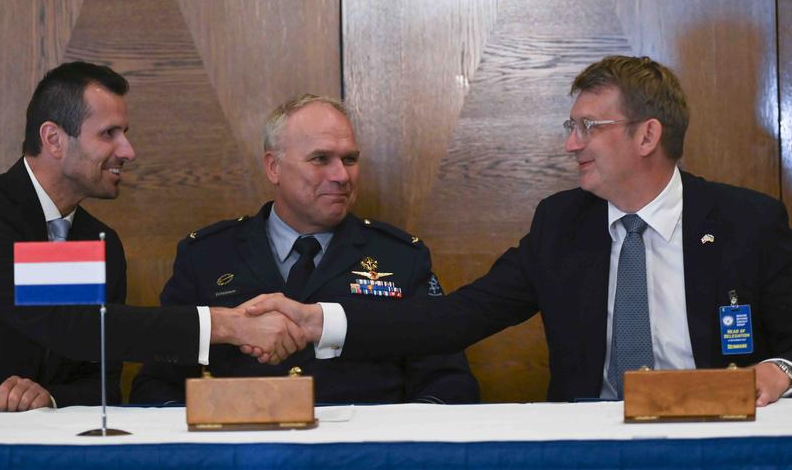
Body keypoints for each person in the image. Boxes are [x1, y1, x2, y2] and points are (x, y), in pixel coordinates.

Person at [245, 56, 792, 406]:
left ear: (647, 135)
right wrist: (321, 321)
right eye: (569, 127)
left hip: (719, 440)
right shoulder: (562, 225)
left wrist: (780, 370)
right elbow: (452, 319)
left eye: (587, 127)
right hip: (586, 448)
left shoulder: (748, 222)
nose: (570, 144)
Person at [0, 62, 305, 411]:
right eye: (109, 134)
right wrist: (226, 324)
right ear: (53, 139)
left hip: (39, 459)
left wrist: (50, 397)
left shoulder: (100, 241)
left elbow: (99, 380)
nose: (128, 151)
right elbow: (70, 323)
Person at [131, 94, 479, 405]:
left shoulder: (400, 257)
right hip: (241, 455)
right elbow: (158, 382)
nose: (341, 175)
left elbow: (448, 381)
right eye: (321, 159)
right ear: (274, 167)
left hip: (361, 458)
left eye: (350, 159)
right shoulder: (207, 255)